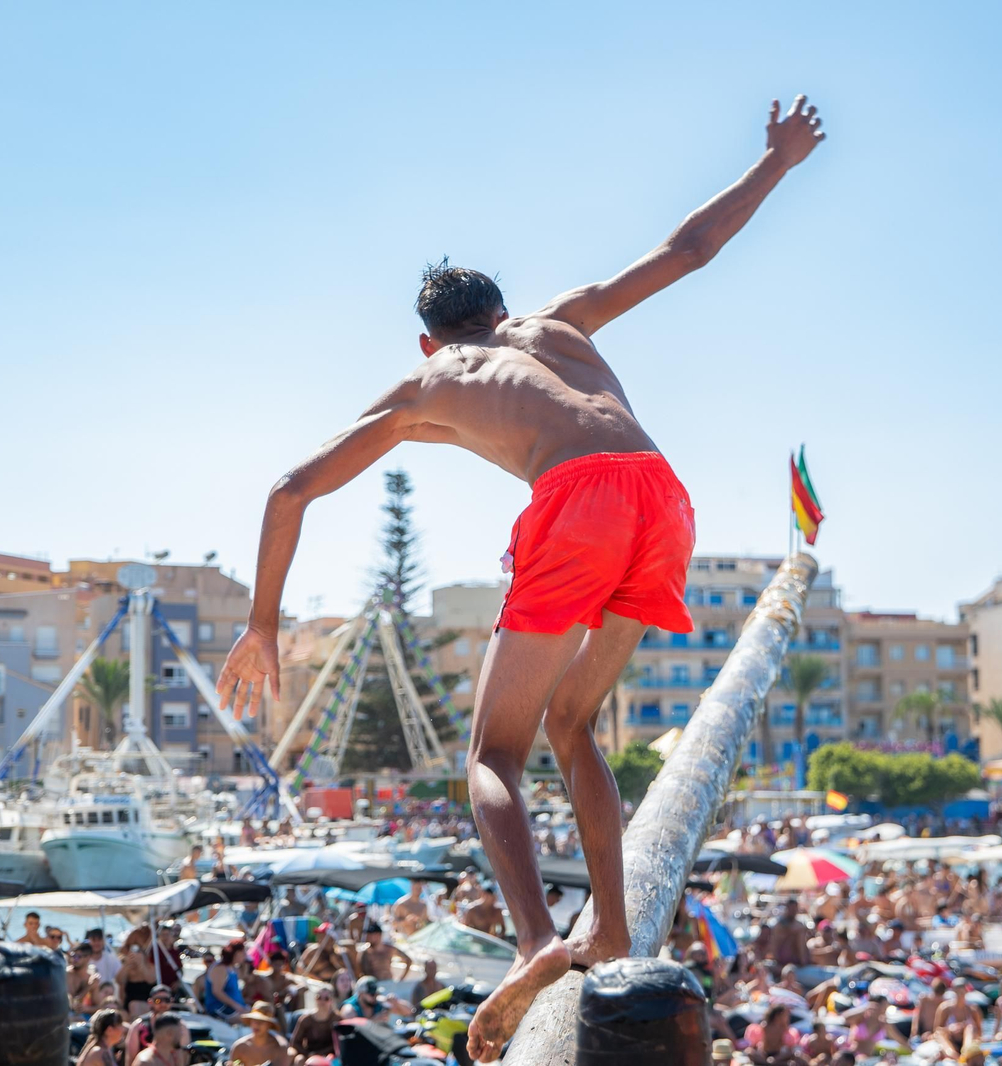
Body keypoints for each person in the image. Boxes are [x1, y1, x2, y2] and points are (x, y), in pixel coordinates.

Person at [214, 94, 827, 1063]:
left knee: (492, 753)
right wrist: (778, 161)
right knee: (572, 722)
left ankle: (538, 935)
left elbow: (290, 489)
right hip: (663, 495)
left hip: (580, 502)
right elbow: (689, 250)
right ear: (500, 312)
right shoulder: (558, 324)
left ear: (430, 339)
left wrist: (261, 621)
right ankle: (611, 928)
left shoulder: (426, 384)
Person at [123, 986, 174, 1066]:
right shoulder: (138, 1026)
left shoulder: (179, 1026)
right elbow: (130, 1060)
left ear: (171, 1001)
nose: (163, 1004)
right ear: (150, 1002)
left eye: (166, 1000)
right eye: (158, 1000)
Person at [288, 985, 339, 1060]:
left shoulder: (337, 1019)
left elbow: (339, 1043)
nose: (322, 1001)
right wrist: (308, 1054)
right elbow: (295, 1042)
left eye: (326, 998)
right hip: (309, 1055)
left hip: (330, 1056)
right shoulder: (306, 1020)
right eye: (319, 997)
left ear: (332, 1000)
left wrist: (320, 1054)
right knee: (299, 1060)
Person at [199, 942, 246, 1020]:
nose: (245, 955)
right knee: (250, 1020)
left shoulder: (233, 968)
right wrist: (236, 1006)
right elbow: (217, 991)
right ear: (236, 954)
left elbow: (245, 978)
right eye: (243, 953)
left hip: (234, 1009)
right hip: (221, 1009)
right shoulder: (220, 968)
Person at [340, 976, 410, 1022]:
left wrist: (396, 1002)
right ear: (361, 994)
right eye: (372, 994)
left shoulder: (379, 1002)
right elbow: (352, 1030)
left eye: (377, 993)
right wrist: (373, 1021)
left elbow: (409, 1012)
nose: (375, 996)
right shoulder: (350, 1009)